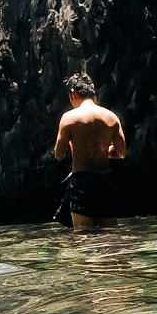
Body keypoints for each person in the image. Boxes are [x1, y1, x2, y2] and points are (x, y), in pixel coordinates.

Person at [53, 73, 126, 229]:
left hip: (82, 182)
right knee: (111, 236)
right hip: (105, 181)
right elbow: (121, 153)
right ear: (92, 92)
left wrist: (75, 148)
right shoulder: (111, 117)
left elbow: (59, 155)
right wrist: (104, 150)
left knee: (83, 238)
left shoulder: (69, 119)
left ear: (73, 92)